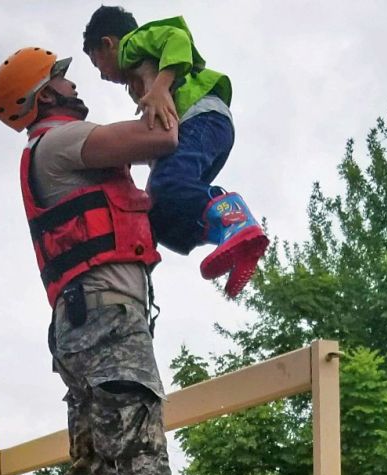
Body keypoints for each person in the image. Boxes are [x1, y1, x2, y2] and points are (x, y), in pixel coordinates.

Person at [0, 47, 203, 475]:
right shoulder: (62, 141)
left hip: (81, 325)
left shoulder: (47, 150)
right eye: (62, 78)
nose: (75, 84)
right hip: (108, 323)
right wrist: (157, 83)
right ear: (44, 94)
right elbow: (162, 137)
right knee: (142, 457)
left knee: (97, 470)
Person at [82, 6, 267, 298]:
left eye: (97, 64)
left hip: (201, 118)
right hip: (208, 129)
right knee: (159, 212)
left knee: (167, 183)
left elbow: (177, 38)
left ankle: (235, 218)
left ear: (108, 43)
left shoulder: (132, 44)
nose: (102, 75)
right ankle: (231, 239)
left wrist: (160, 86)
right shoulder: (138, 73)